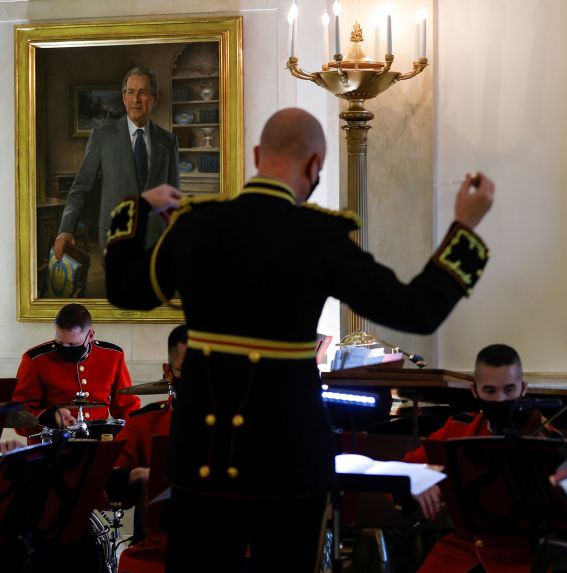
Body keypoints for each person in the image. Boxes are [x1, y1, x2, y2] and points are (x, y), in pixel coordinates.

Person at [103, 107, 495, 572]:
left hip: (204, 458)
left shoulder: (195, 225)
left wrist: (138, 205)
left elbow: (124, 287)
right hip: (289, 464)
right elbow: (418, 310)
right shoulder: (320, 237)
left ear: (255, 156)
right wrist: (465, 227)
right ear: (315, 166)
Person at [402, 343, 561, 573]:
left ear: (523, 389)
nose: (499, 400)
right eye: (490, 391)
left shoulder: (547, 438)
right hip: (461, 551)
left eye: (509, 390)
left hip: (525, 557)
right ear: (474, 391)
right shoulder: (457, 428)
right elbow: (406, 466)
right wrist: (416, 478)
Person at [54, 67, 179, 295]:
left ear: (155, 98)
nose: (136, 99)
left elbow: (172, 195)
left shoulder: (168, 141)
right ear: (123, 97)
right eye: (130, 92)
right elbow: (81, 187)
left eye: (143, 92)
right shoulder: (102, 136)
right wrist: (65, 229)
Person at [110, 324, 187, 573]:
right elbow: (107, 476)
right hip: (160, 549)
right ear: (169, 372)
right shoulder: (146, 422)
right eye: (188, 371)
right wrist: (137, 474)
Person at [12, 303, 139, 436]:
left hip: (99, 444)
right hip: (52, 446)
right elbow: (18, 416)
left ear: (90, 335)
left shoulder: (113, 356)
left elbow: (127, 407)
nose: (65, 348)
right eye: (60, 343)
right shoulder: (35, 359)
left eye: (73, 344)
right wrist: (50, 417)